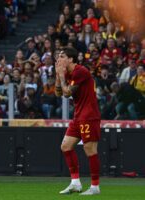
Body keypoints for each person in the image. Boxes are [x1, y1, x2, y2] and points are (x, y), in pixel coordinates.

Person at [55, 47, 101, 195]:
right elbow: (59, 93)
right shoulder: (68, 73)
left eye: (62, 56)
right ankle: (75, 183)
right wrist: (58, 75)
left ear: (70, 59)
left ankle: (95, 187)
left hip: (89, 115)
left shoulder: (80, 71)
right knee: (66, 146)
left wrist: (62, 77)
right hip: (78, 116)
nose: (59, 58)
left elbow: (67, 93)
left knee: (90, 150)